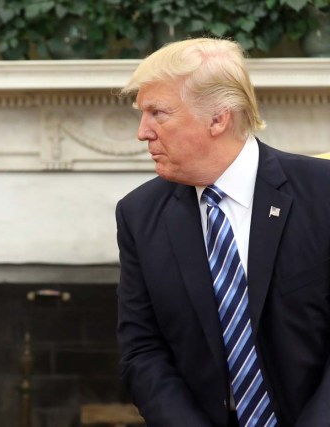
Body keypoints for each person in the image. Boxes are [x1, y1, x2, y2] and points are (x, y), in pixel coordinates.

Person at [116, 38, 330, 427]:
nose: (143, 132)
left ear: (219, 118)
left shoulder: (323, 193)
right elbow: (143, 351)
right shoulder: (138, 215)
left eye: (157, 113)